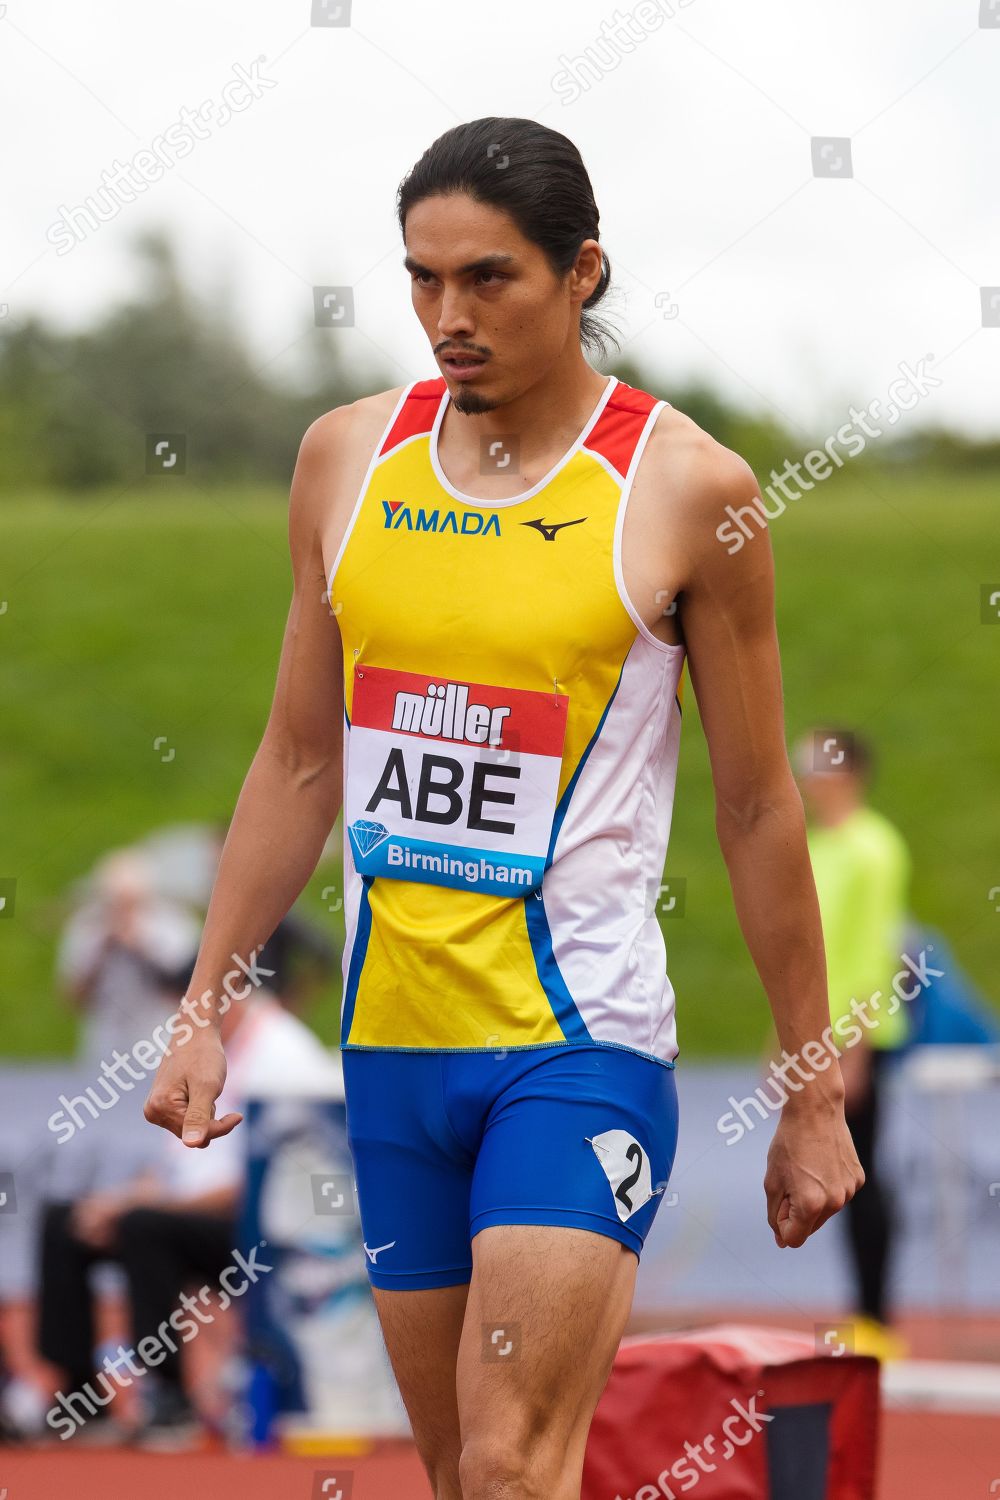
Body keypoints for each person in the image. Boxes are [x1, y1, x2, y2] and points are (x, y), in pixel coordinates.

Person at [145, 117, 862, 1499]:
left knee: (512, 1459)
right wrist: (201, 1009)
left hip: (574, 1047)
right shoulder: (347, 461)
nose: (446, 317)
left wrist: (807, 1087)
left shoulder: (689, 491)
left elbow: (762, 807)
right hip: (392, 1051)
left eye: (489, 279)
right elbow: (300, 762)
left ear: (582, 271)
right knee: (464, 1476)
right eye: (421, 280)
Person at [39, 991, 337, 1450]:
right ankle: (80, 1397)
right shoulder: (212, 1050)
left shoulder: (282, 1054)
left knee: (144, 1226)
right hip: (191, 1217)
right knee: (66, 1221)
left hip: (261, 1232)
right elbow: (175, 1168)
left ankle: (170, 1398)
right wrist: (111, 1203)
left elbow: (257, 1186)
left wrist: (143, 1209)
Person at [793, 728, 912, 1360]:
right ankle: (861, 1313)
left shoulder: (873, 847)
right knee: (836, 1167)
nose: (803, 774)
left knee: (861, 1169)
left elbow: (871, 951)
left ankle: (876, 1317)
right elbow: (800, 956)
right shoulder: (819, 847)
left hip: (856, 1040)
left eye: (812, 762)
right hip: (816, 1039)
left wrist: (855, 1049)